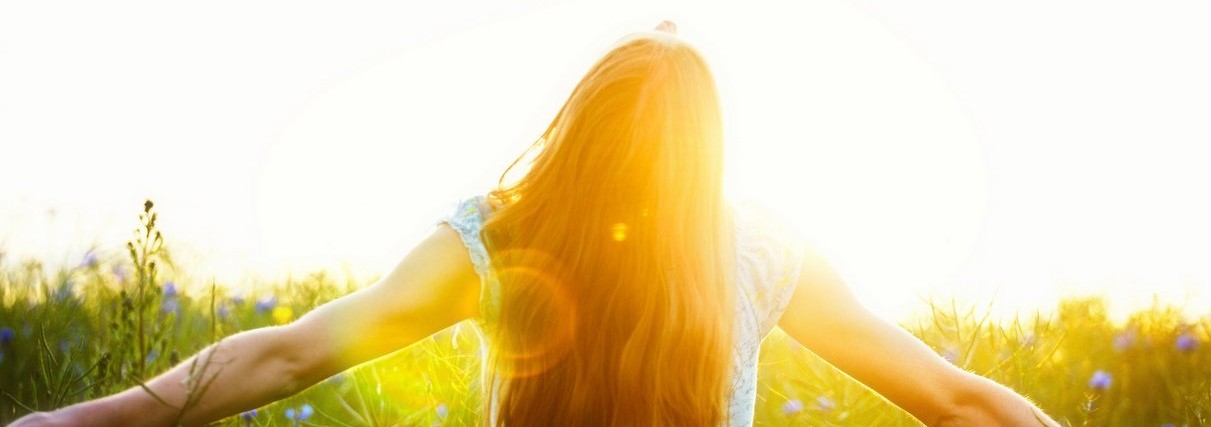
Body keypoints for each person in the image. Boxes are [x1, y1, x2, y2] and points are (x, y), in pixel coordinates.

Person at [9, 20, 1059, 427]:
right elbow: (954, 397)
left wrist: (74, 422)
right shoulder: (742, 249)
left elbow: (280, 359)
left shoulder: (505, 242)